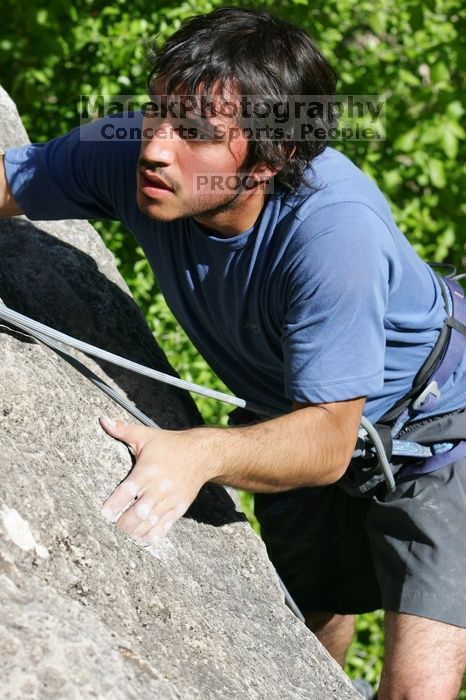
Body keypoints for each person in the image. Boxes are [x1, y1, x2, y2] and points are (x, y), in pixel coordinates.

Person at [1, 7, 466, 698]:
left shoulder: (334, 234)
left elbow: (327, 443)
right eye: (157, 111)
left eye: (196, 133)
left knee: (414, 692)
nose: (157, 145)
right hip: (298, 406)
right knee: (310, 612)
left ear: (269, 161)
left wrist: (200, 451)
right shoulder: (135, 159)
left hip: (435, 432)